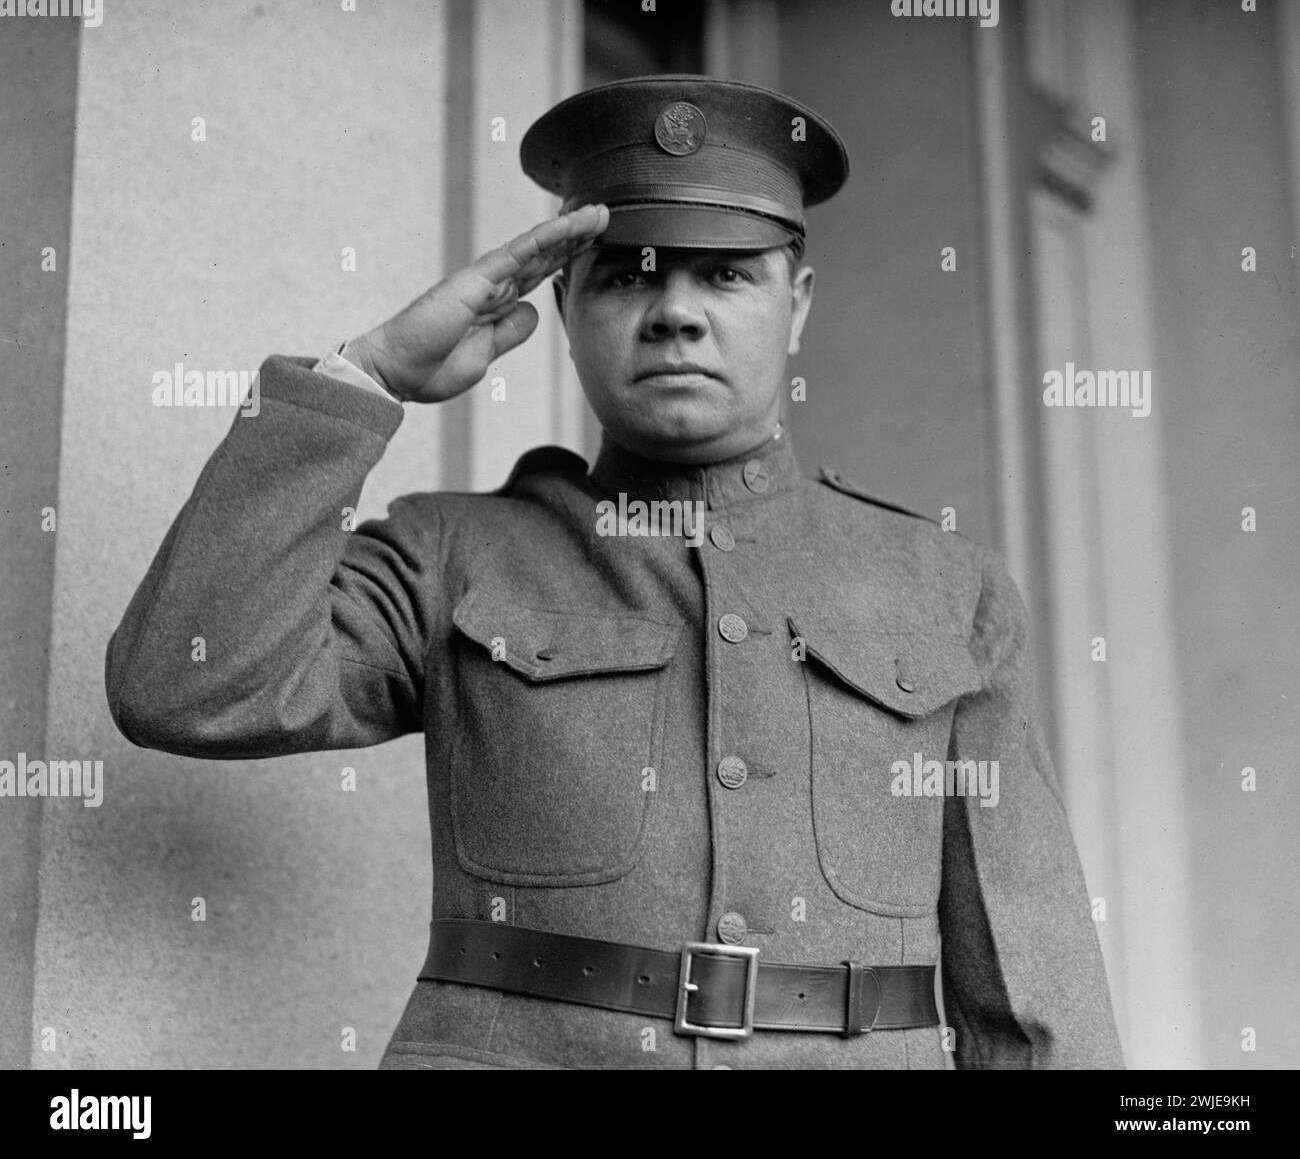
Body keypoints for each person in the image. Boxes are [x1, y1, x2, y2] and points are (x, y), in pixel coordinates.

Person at [105, 75, 1123, 1069]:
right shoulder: (451, 553)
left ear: (797, 303)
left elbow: (1028, 972)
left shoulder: (944, 585)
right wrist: (365, 378)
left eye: (724, 274)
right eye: (630, 273)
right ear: (563, 301)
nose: (675, 313)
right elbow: (187, 684)